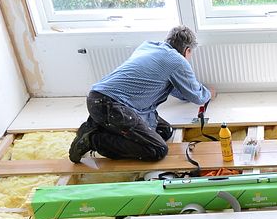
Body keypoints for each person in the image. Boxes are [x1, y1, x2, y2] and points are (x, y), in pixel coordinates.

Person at [68, 26, 213, 163]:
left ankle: (100, 126)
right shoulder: (177, 60)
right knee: (157, 149)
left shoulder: (149, 46)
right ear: (187, 50)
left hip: (99, 99)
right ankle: (93, 139)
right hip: (110, 105)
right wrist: (208, 93)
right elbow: (197, 96)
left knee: (164, 131)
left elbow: (177, 89)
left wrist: (189, 93)